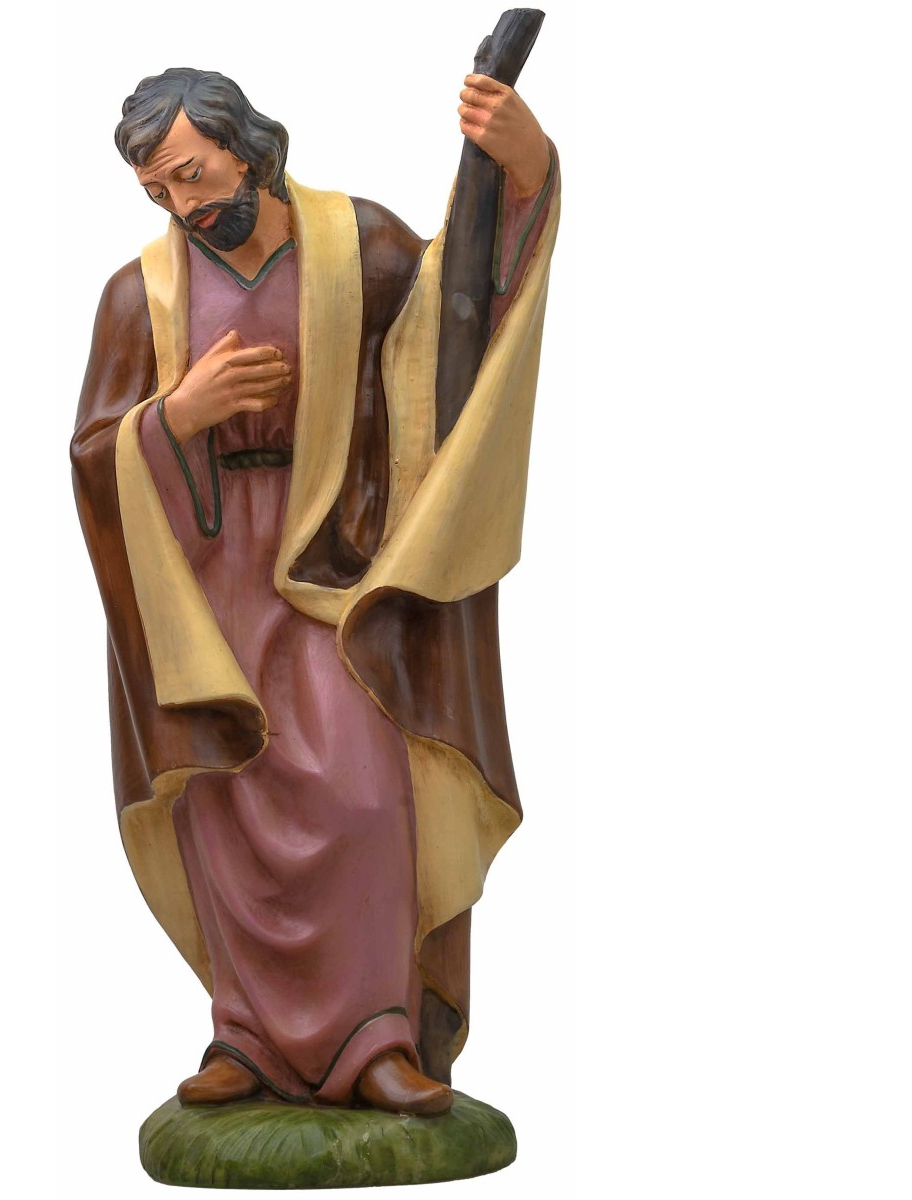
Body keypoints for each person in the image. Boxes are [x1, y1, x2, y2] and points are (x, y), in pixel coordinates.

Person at [70, 66, 559, 1115]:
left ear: (248, 147)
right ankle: (245, 1035)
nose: (182, 204)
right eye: (158, 191)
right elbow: (92, 453)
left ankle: (378, 1034)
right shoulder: (138, 296)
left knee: (363, 788)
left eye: (193, 174)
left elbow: (460, 329)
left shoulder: (358, 246)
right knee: (228, 797)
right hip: (206, 578)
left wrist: (520, 171)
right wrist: (176, 417)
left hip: (338, 561)